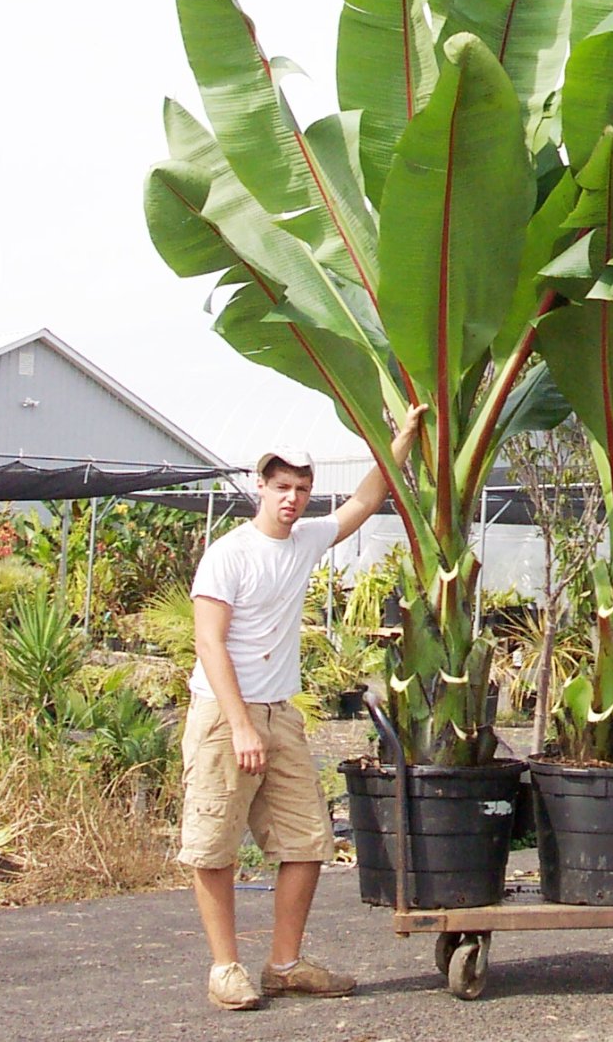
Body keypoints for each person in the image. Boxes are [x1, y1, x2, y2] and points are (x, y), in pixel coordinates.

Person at [179, 408, 426, 1011]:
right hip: (222, 713)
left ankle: (284, 964)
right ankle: (224, 968)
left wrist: (403, 440)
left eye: (302, 489)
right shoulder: (229, 554)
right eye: (281, 486)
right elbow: (209, 642)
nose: (291, 499)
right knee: (213, 845)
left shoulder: (307, 539)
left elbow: (365, 502)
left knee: (307, 841)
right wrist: (240, 724)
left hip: (280, 714)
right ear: (259, 486)